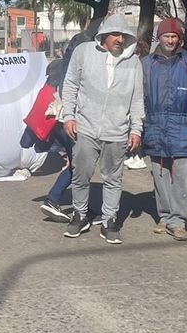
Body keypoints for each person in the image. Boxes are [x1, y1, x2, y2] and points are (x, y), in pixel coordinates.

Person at [58, 15, 143, 244]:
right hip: (85, 126)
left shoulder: (133, 62)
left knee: (113, 178)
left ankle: (109, 221)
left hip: (117, 131)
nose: (119, 40)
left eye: (123, 36)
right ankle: (80, 215)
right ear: (104, 36)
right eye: (115, 35)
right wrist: (68, 116)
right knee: (81, 175)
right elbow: (70, 84)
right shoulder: (84, 52)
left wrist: (136, 129)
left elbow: (137, 99)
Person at [142, 18, 187, 241]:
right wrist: (142, 124)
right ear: (159, 38)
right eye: (166, 36)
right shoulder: (146, 64)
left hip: (183, 128)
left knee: (181, 176)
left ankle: (178, 220)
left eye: (174, 36)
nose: (170, 40)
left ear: (179, 39)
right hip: (154, 126)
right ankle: (164, 216)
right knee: (160, 173)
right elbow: (137, 98)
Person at [37, 33, 90, 222]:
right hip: (75, 122)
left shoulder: (64, 65)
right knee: (80, 164)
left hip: (62, 122)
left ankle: (79, 204)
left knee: (79, 163)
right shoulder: (80, 67)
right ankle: (55, 199)